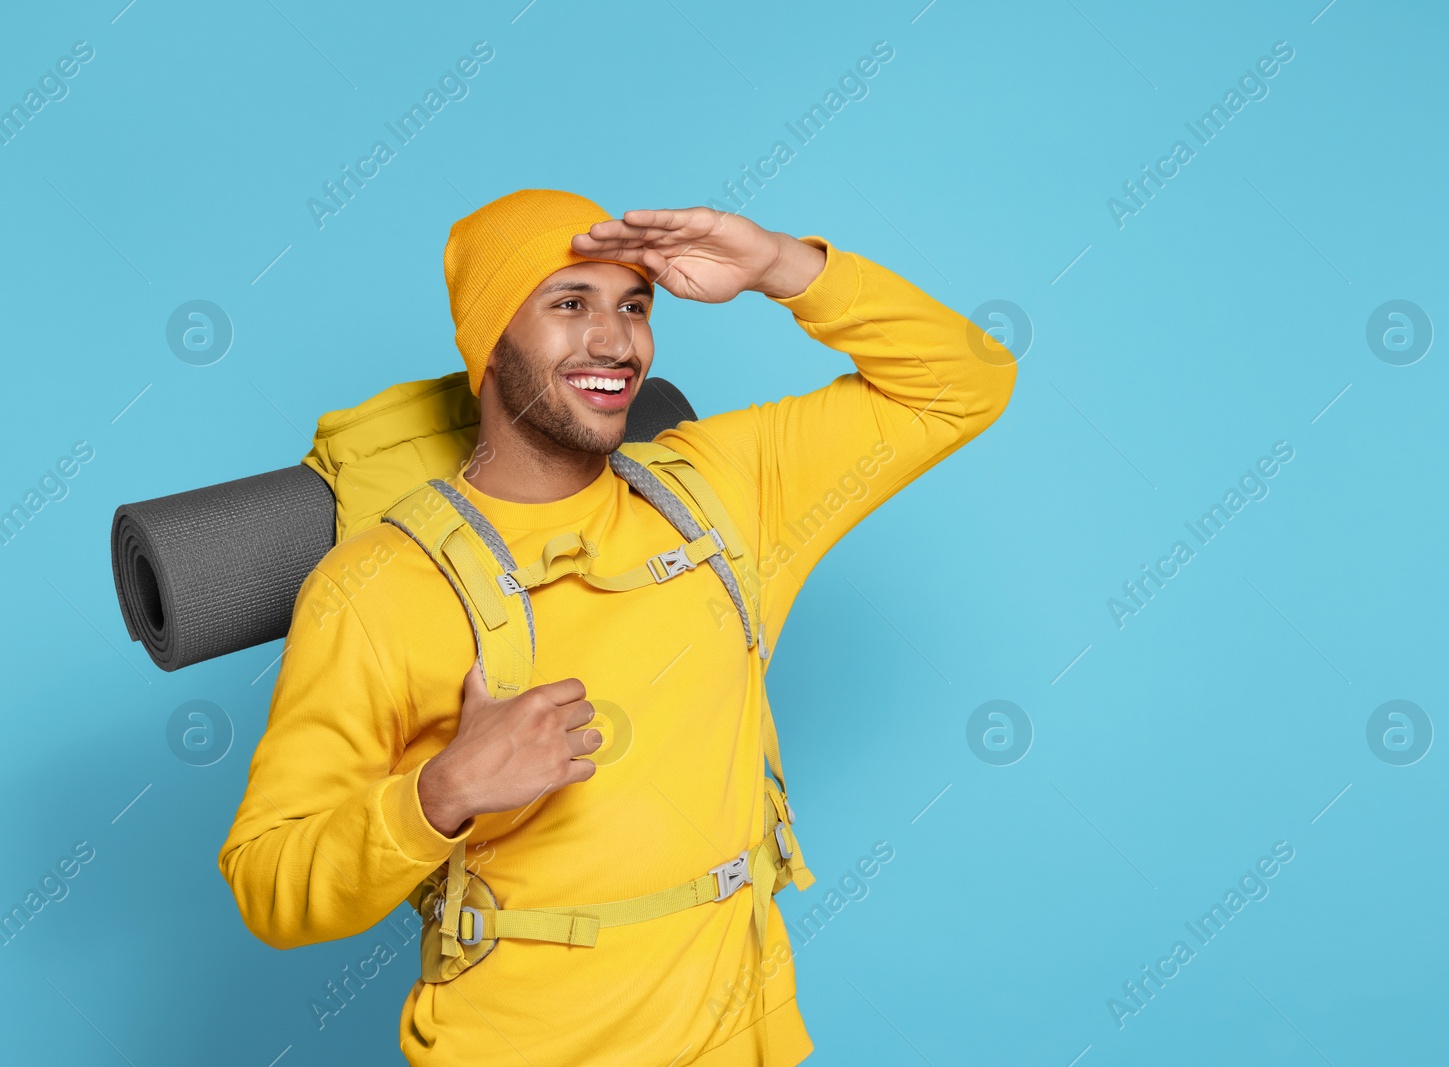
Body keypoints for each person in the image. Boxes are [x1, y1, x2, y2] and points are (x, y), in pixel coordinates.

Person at [218, 189, 1016, 1066]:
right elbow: (269, 885)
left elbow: (967, 381)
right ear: (490, 343)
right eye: (570, 304)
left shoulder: (725, 492)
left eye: (634, 306)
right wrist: (440, 792)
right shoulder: (375, 586)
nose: (615, 340)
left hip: (744, 1039)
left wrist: (781, 267)